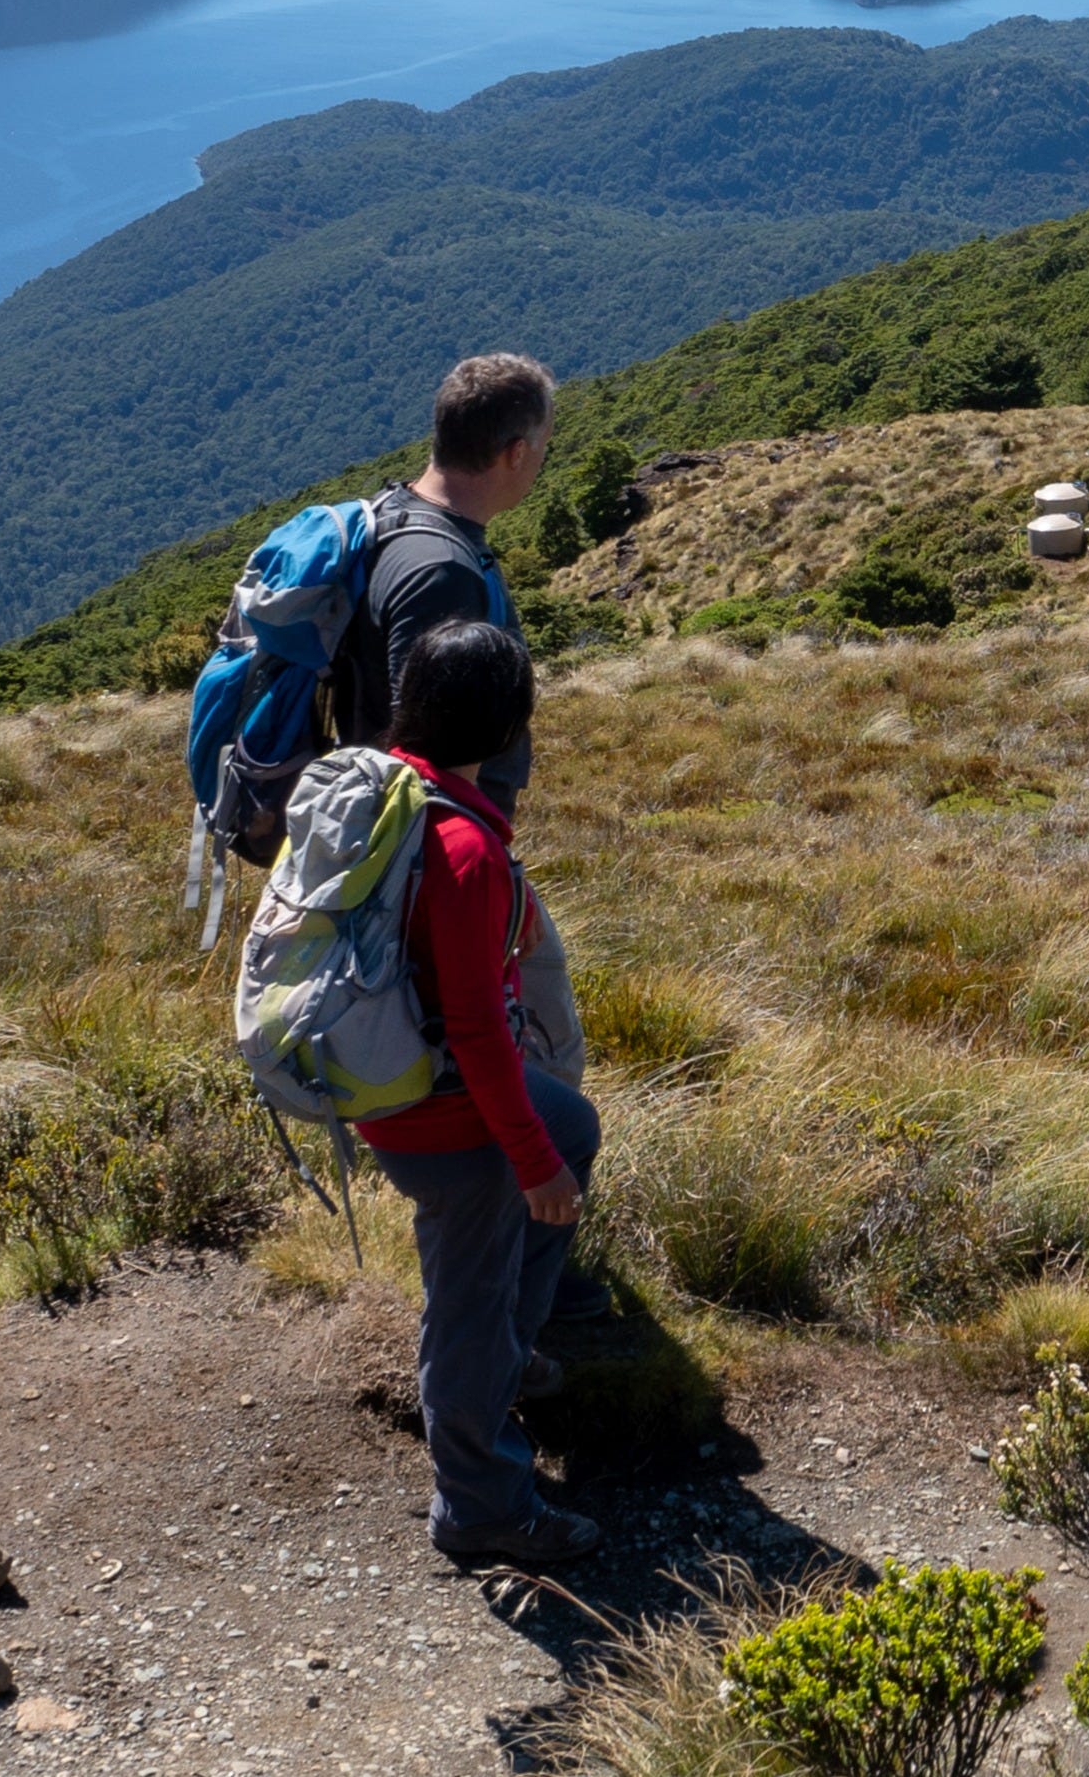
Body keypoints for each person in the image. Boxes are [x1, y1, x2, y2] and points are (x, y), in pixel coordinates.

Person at [358, 613, 601, 1567]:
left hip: (395, 1085)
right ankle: (480, 1503)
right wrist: (530, 1163)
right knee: (465, 1297)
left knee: (573, 1122)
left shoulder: (390, 796)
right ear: (507, 727)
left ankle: (509, 1346)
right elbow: (476, 1030)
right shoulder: (463, 850)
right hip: (446, 1115)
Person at [351, 355, 555, 805]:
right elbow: (429, 757)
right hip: (436, 845)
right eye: (543, 446)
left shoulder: (395, 516)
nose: (542, 460)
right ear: (516, 452)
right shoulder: (442, 571)